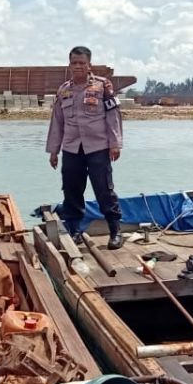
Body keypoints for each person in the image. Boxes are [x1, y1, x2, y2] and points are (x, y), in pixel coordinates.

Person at [46, 46, 124, 249]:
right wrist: (54, 150)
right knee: (71, 190)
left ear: (89, 64)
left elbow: (113, 116)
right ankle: (75, 231)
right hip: (72, 148)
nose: (78, 66)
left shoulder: (102, 86)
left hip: (98, 146)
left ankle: (115, 231)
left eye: (82, 63)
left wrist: (115, 143)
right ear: (69, 64)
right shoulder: (64, 90)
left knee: (104, 189)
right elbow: (57, 122)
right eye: (74, 63)